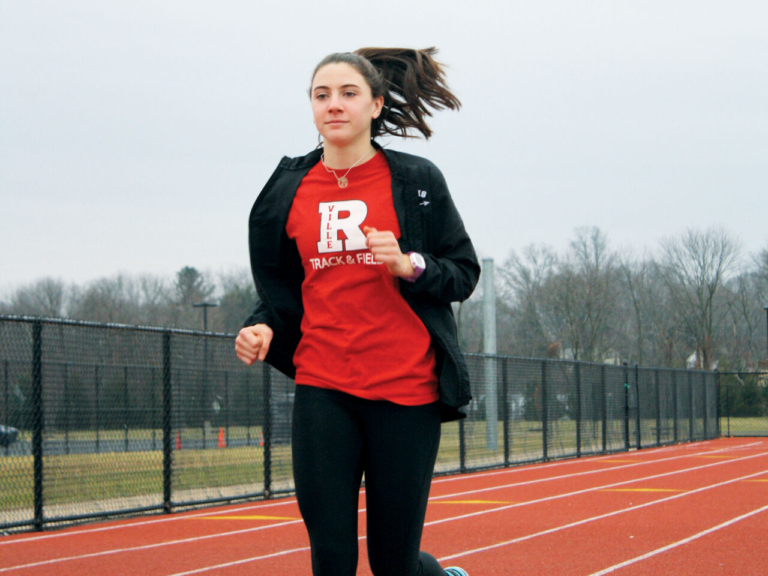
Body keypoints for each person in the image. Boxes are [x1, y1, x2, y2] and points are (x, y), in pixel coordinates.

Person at [235, 47, 479, 576]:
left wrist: (410, 264)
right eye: (321, 95)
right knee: (332, 557)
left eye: (348, 93)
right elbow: (285, 287)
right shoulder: (288, 190)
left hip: (406, 391)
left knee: (395, 564)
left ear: (375, 104)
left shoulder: (416, 182)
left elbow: (463, 272)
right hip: (324, 389)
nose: (334, 105)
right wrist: (260, 325)